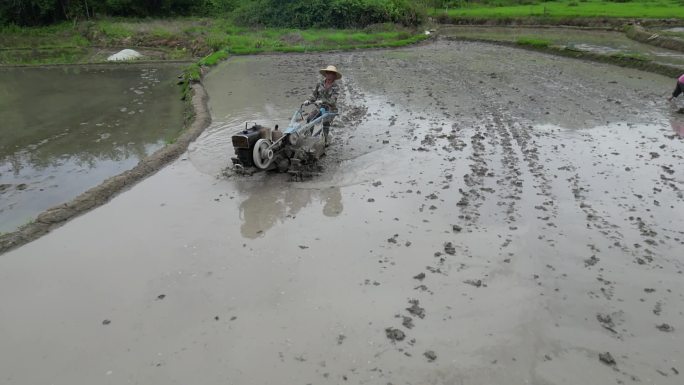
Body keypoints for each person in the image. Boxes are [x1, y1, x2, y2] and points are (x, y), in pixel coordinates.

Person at [303, 65, 341, 146]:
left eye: (331, 73)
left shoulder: (336, 87)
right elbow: (314, 94)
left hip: (330, 109)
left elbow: (333, 101)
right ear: (325, 74)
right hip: (319, 107)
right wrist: (309, 100)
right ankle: (309, 137)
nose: (329, 75)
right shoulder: (319, 83)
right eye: (328, 73)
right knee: (310, 118)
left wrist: (322, 101)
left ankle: (325, 140)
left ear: (334, 75)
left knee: (325, 123)